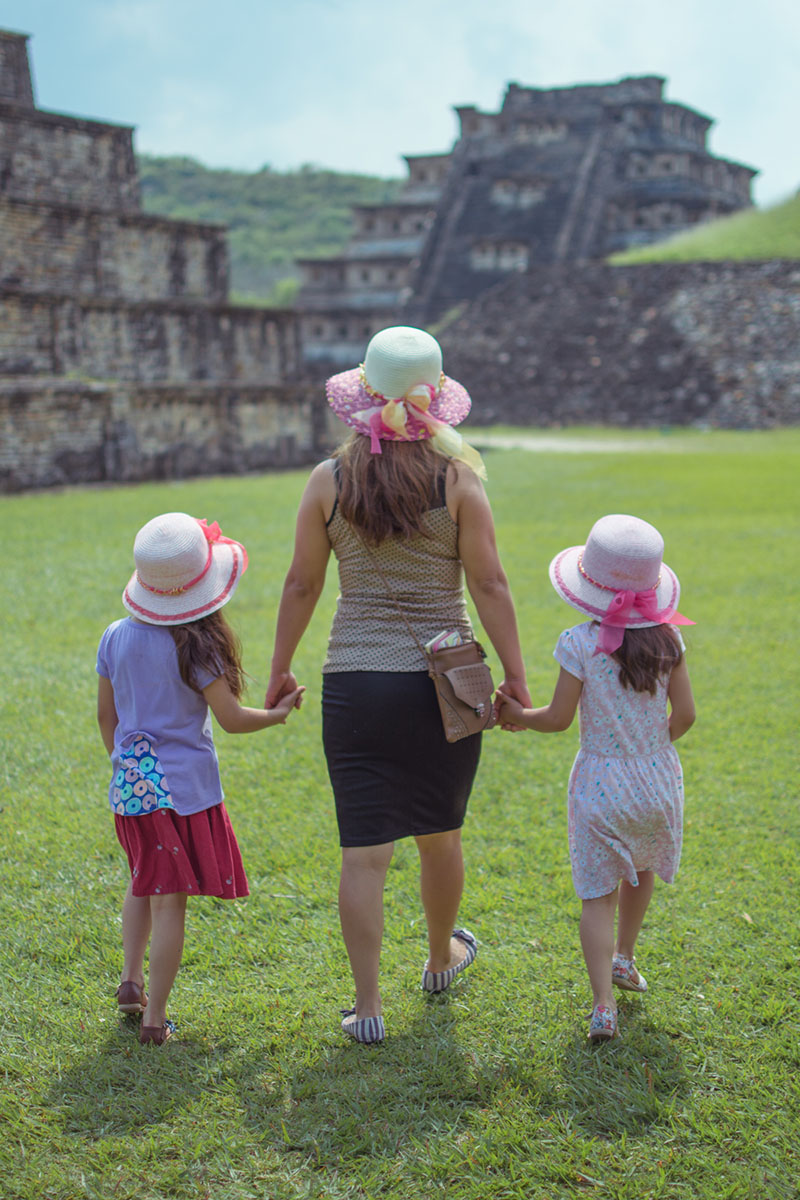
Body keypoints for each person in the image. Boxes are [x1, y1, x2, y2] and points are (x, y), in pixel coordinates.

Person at [265, 326, 530, 1043]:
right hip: (447, 682)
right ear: (434, 398)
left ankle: (368, 1006)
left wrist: (279, 666)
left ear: (362, 394)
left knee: (365, 853)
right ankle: (440, 959)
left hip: (356, 680)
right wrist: (516, 676)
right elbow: (491, 584)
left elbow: (301, 584)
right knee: (440, 837)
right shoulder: (459, 480)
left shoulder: (329, 480)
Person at [96, 512, 303, 1045]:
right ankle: (155, 1019)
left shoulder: (114, 636)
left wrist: (126, 767)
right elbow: (232, 719)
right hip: (183, 793)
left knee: (142, 878)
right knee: (170, 900)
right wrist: (277, 714)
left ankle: (130, 981)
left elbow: (106, 717)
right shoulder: (197, 647)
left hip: (130, 788)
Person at [497, 514, 696, 1042]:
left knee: (596, 895)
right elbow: (686, 715)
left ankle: (604, 1005)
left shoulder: (580, 643)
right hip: (656, 780)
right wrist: (648, 748)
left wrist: (515, 715)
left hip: (599, 785)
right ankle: (625, 957)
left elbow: (558, 719)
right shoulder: (670, 640)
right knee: (642, 867)